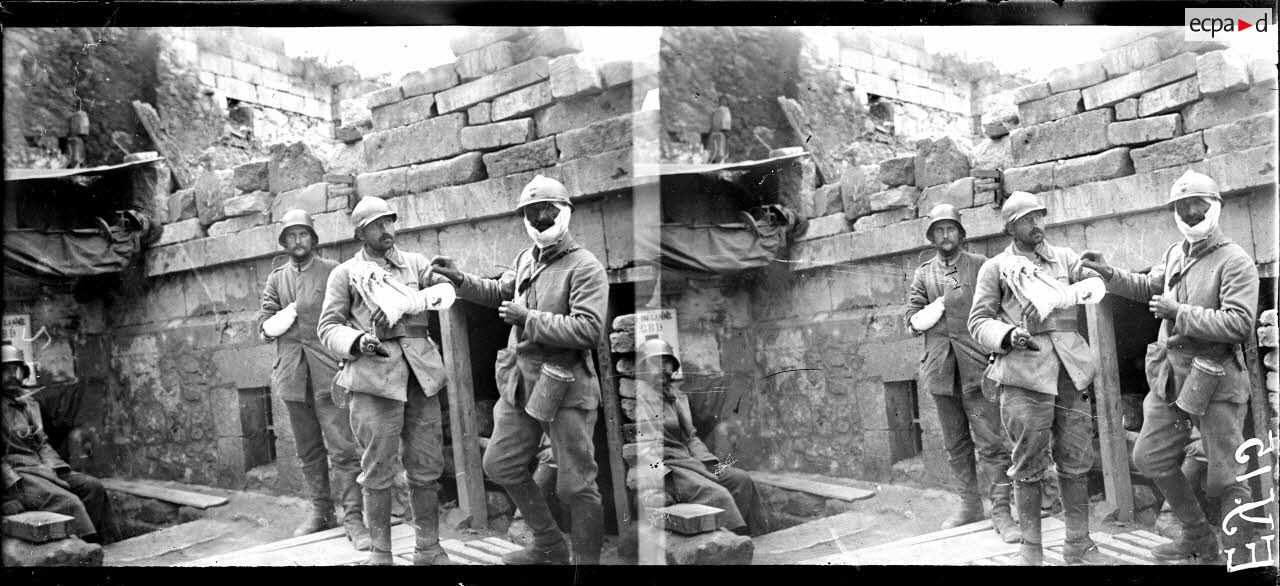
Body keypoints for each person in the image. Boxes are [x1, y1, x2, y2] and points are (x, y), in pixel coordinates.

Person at [1080, 169, 1258, 563]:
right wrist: (1109, 274)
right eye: (1182, 207)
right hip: (1172, 379)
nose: (1190, 213)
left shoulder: (1235, 261)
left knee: (1227, 473)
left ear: (1216, 208)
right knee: (1149, 457)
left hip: (1215, 376)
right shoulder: (1176, 252)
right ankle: (1198, 536)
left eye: (1198, 205)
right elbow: (1150, 286)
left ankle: (1242, 555)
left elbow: (1239, 323)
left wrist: (1180, 312)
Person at [431, 175, 607, 565]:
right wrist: (460, 280)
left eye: (547, 211)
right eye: (531, 213)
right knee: (500, 463)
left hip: (565, 385)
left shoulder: (586, 267)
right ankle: (548, 544)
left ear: (565, 213)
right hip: (521, 385)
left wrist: (529, 318)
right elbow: (501, 291)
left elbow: (589, 329)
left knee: (576, 484)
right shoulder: (526, 258)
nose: (540, 219)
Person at [968, 192, 1106, 566]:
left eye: (1040, 217)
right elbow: (978, 322)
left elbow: (1093, 283)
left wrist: (1097, 271)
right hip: (1024, 375)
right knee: (1028, 461)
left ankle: (1079, 542)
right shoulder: (995, 268)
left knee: (1076, 458)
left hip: (1070, 373)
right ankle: (1031, 550)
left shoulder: (1064, 257)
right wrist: (1007, 336)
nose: (1038, 226)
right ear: (1011, 227)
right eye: (1028, 220)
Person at [317, 197, 455, 566]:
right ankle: (381, 555)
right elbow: (327, 328)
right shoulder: (345, 274)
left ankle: (428, 549)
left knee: (426, 466)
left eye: (390, 222)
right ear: (360, 233)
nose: (387, 231)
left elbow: (441, 295)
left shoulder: (415, 264)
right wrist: (357, 342)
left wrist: (444, 279)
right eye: (378, 225)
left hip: (421, 379)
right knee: (377, 469)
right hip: (373, 381)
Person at [905, 204, 1019, 543]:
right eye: (938, 230)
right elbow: (912, 319)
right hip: (941, 371)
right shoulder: (923, 274)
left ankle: (1001, 511)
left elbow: (1000, 311)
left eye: (950, 228)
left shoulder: (982, 266)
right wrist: (934, 307)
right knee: (955, 444)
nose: (945, 235)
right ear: (931, 236)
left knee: (992, 443)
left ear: (961, 233)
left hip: (978, 367)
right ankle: (969, 506)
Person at [256, 209, 368, 549]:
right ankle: (321, 512)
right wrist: (283, 314)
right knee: (308, 450)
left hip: (329, 373)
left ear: (313, 238)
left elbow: (352, 316)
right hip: (293, 376)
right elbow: (264, 325)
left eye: (303, 234)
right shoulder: (276, 279)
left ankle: (353, 518)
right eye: (290, 236)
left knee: (344, 449)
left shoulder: (334, 270)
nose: (297, 241)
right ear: (284, 242)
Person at [636, 338, 769, 536]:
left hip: (692, 462)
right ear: (644, 368)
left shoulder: (677, 396)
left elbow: (691, 437)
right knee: (718, 494)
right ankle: (725, 544)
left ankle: (738, 538)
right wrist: (662, 483)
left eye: (667, 363)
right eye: (656, 363)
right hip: (672, 469)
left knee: (740, 480)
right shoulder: (639, 398)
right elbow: (644, 448)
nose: (663, 369)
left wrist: (709, 464)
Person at [1, 342, 115, 544]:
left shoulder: (28, 402)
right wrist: (10, 495)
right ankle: (85, 553)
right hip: (19, 477)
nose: (12, 376)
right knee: (69, 502)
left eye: (16, 369)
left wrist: (59, 470)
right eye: (5, 370)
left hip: (44, 469)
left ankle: (108, 546)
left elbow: (42, 442)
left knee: (92, 487)